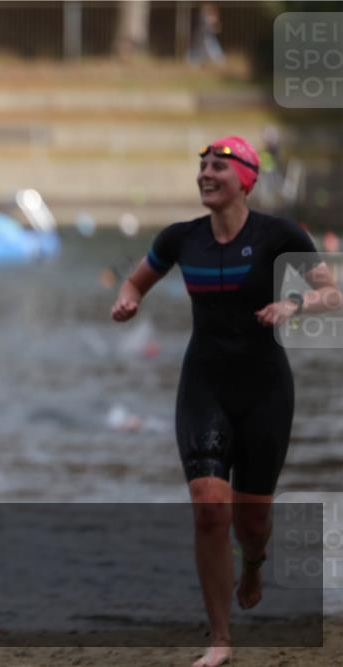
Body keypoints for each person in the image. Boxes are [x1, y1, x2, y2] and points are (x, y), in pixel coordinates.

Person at [111, 135, 341, 667]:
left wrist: (293, 303)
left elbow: (332, 292)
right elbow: (137, 280)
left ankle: (255, 562)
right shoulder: (179, 239)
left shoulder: (277, 234)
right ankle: (220, 639)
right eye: (202, 166)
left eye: (219, 166)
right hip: (204, 385)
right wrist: (128, 299)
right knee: (210, 509)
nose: (206, 173)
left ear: (247, 179)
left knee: (251, 521)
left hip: (265, 389)